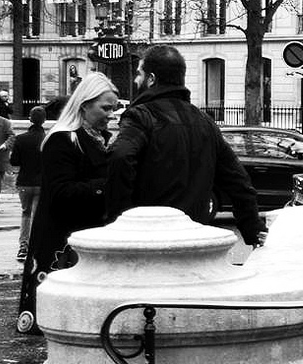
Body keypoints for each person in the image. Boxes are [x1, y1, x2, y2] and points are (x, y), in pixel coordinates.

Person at [105, 45, 266, 247]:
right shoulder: (205, 122)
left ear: (151, 79)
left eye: (139, 74)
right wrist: (253, 232)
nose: (136, 79)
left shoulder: (141, 116)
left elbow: (120, 157)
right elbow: (239, 183)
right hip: (192, 238)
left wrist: (118, 222)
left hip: (147, 240)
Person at [17, 74, 117, 335]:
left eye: (113, 109)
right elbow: (62, 193)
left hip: (84, 240)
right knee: (56, 324)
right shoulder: (63, 139)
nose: (111, 115)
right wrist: (106, 186)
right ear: (84, 104)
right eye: (106, 108)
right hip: (60, 242)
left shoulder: (98, 139)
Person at [10, 106, 49, 259]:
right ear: (44, 120)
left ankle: (23, 246)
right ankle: (37, 245)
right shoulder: (48, 140)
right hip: (42, 183)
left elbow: (14, 161)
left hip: (24, 182)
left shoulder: (20, 139)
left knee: (26, 213)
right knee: (38, 215)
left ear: (29, 119)